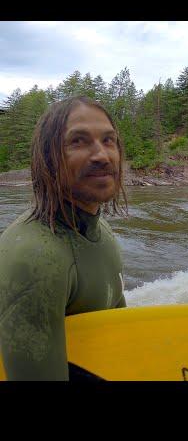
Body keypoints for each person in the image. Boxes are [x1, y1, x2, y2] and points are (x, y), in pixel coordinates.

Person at [0, 96, 128, 380]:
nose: (102, 155)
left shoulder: (100, 231)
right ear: (48, 158)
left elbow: (122, 333)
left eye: (109, 140)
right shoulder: (36, 259)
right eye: (78, 141)